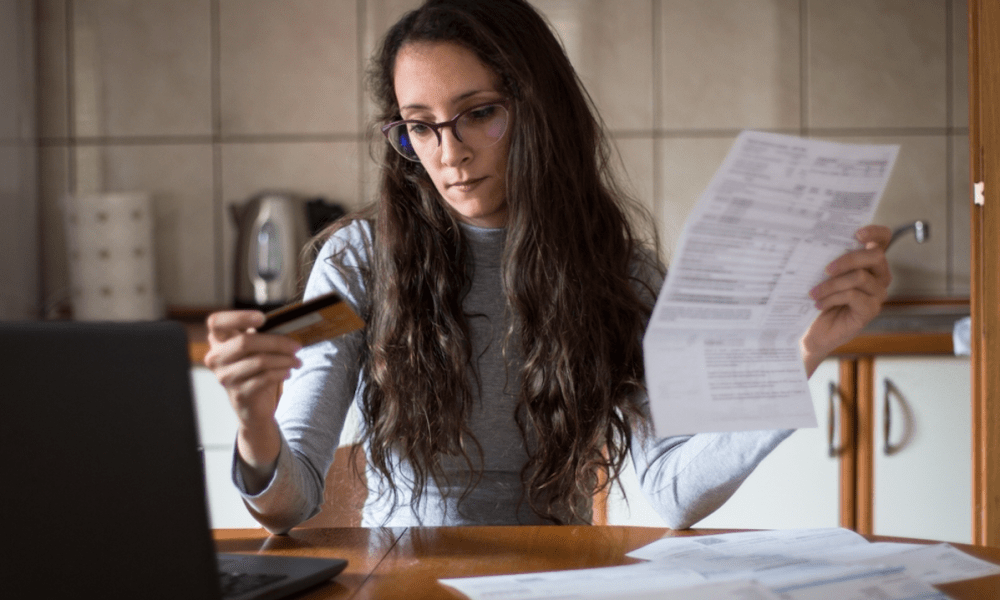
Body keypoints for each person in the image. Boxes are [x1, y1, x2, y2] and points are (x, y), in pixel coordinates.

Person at [204, 0, 891, 533]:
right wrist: (255, 425)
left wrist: (799, 354)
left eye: (479, 113)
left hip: (555, 574)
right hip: (403, 578)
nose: (450, 151)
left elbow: (674, 493)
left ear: (538, 109)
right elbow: (288, 507)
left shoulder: (617, 270)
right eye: (421, 125)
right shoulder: (355, 262)